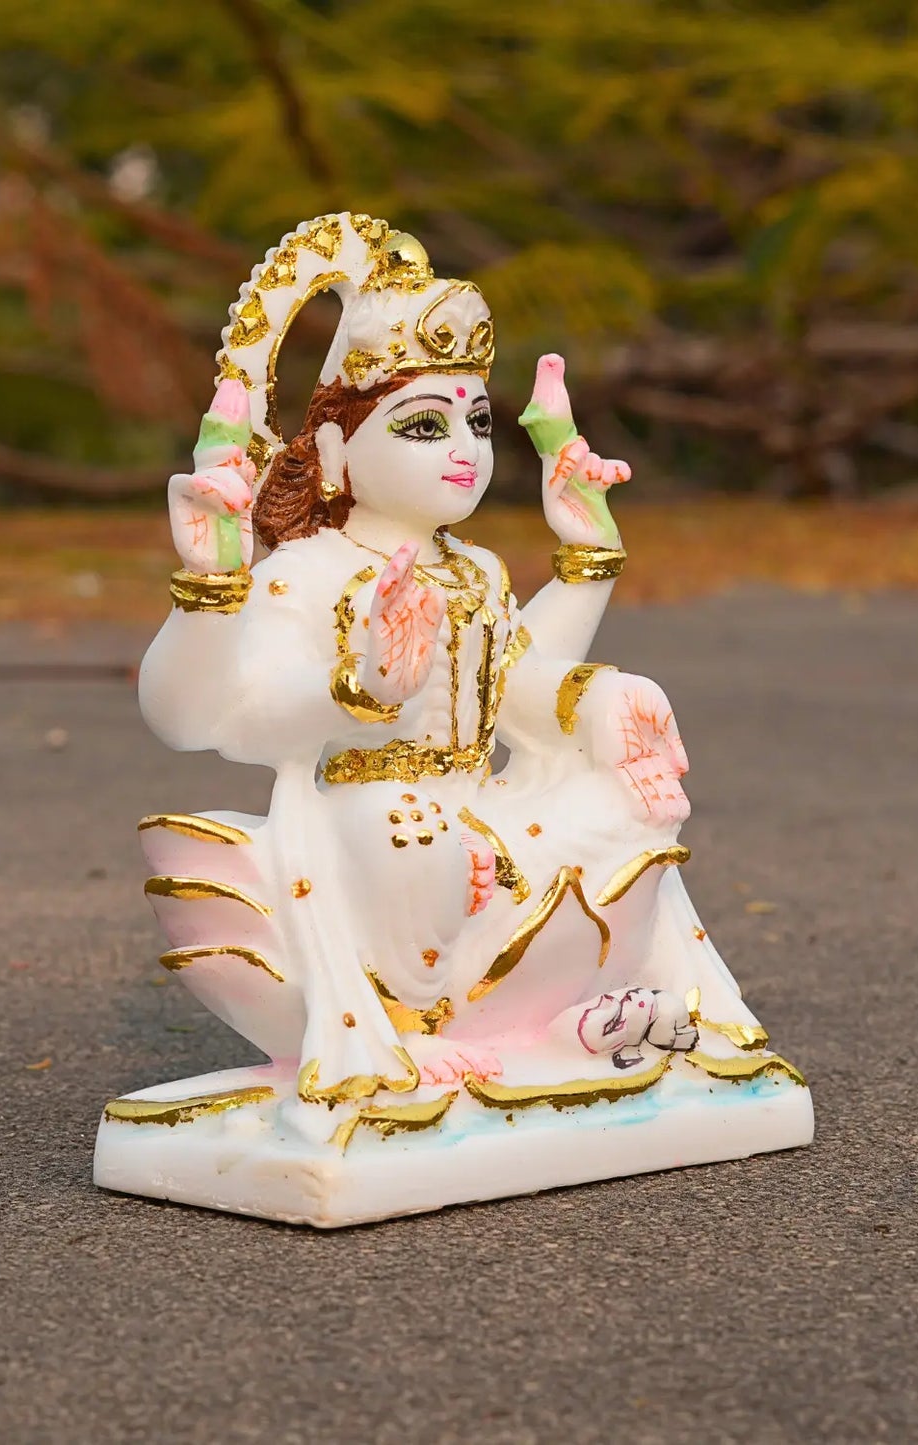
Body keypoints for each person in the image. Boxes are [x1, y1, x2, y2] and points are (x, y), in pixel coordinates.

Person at [135, 214, 756, 1137]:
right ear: (339, 452)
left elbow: (518, 684)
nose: (464, 447)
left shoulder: (474, 572)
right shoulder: (310, 569)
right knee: (408, 826)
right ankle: (420, 1039)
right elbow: (201, 715)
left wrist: (598, 624)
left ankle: (549, 1021)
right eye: (424, 426)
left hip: (485, 807)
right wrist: (322, 669)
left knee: (629, 805)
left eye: (475, 420)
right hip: (372, 821)